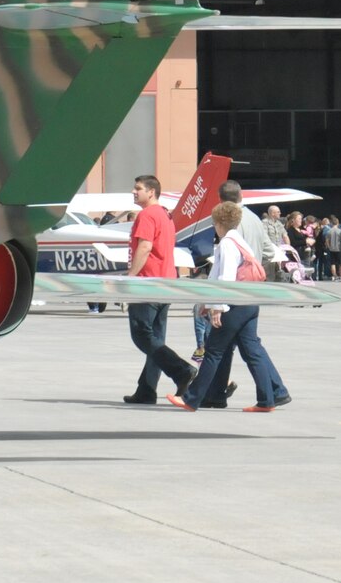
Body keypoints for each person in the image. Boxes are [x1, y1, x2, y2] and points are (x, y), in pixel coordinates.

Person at [170, 202, 286, 413]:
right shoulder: (241, 241)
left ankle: (192, 399)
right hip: (250, 302)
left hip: (234, 304)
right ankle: (267, 400)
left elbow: (226, 277)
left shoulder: (226, 244)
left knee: (213, 351)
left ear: (219, 223)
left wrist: (216, 306)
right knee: (253, 352)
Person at [120, 175, 196, 406]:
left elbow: (145, 246)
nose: (134, 192)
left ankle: (182, 371)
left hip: (147, 283)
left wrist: (131, 277)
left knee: (142, 335)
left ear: (151, 192)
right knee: (156, 339)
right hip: (166, 282)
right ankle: (146, 390)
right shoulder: (165, 214)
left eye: (138, 188)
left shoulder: (146, 215)